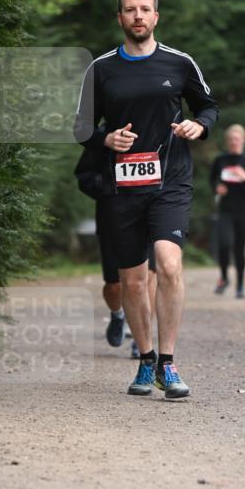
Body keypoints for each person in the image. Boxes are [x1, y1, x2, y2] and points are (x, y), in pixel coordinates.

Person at [74, 0, 219, 397]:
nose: (138, 16)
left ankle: (169, 364)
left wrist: (200, 125)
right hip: (122, 186)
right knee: (133, 280)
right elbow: (81, 125)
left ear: (157, 16)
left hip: (170, 178)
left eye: (145, 9)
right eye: (130, 10)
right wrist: (105, 139)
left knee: (169, 264)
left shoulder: (179, 63)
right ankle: (145, 360)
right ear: (120, 18)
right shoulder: (101, 69)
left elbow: (208, 105)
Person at [74, 145, 156, 357]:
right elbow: (84, 175)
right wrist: (108, 185)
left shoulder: (161, 130)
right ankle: (117, 314)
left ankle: (142, 339)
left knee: (149, 277)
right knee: (114, 285)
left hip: (152, 212)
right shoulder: (105, 136)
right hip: (113, 215)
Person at [209, 124, 245, 298]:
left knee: (240, 249)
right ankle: (224, 277)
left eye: (237, 139)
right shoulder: (220, 160)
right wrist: (217, 188)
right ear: (227, 141)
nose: (234, 142)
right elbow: (212, 181)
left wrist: (244, 177)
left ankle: (240, 285)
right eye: (231, 139)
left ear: (243, 141)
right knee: (224, 244)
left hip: (244, 210)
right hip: (225, 209)